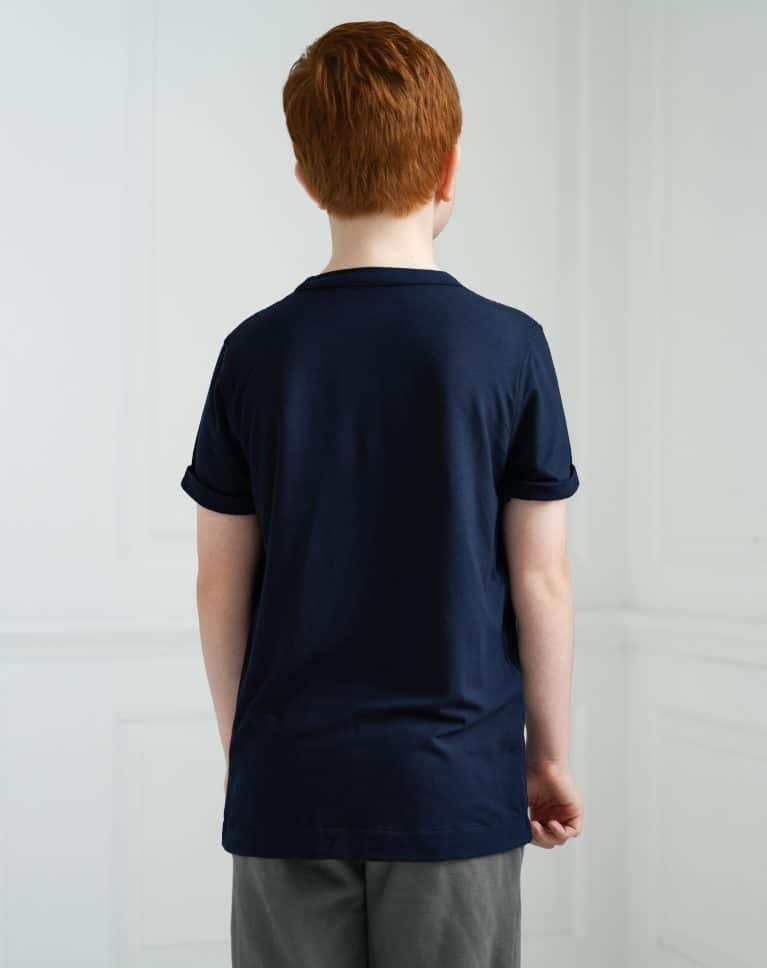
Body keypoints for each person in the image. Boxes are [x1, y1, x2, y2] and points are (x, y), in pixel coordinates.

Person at [180, 19, 584, 968]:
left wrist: (256, 759)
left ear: (305, 177)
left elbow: (217, 584)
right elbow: (544, 582)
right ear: (449, 168)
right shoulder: (509, 347)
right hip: (454, 787)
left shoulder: (253, 353)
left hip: (291, 784)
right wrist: (548, 757)